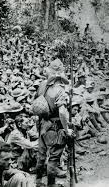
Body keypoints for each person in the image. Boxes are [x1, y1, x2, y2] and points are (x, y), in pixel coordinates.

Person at [35, 59, 75, 187]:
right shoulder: (60, 90)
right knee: (53, 158)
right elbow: (62, 113)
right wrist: (66, 129)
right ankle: (50, 185)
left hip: (42, 124)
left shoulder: (42, 85)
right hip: (54, 127)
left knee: (41, 155)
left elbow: (37, 101)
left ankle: (38, 181)